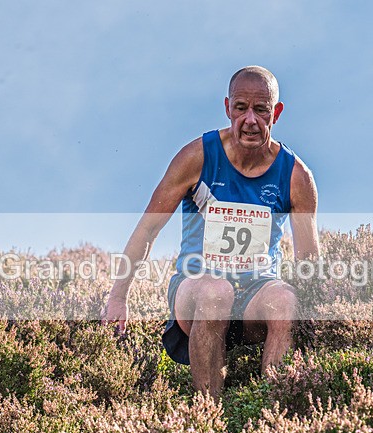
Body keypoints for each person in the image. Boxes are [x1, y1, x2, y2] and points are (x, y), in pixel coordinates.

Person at [104, 66, 320, 399]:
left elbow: (309, 261)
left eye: (261, 110)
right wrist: (119, 296)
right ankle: (210, 414)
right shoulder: (197, 157)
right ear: (227, 108)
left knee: (285, 300)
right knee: (215, 292)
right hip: (197, 289)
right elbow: (149, 227)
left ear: (275, 113)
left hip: (256, 292)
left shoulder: (295, 176)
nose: (250, 120)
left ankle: (272, 413)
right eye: (240, 108)